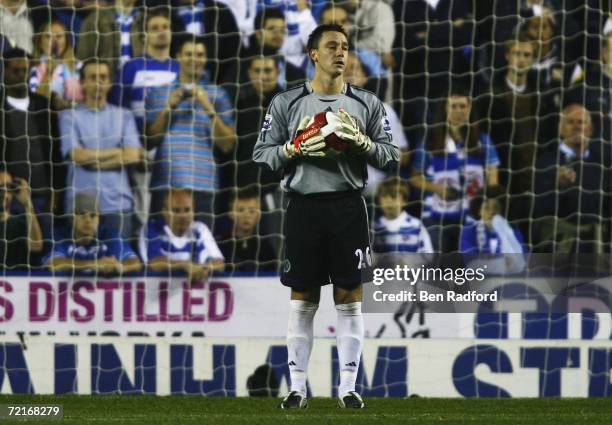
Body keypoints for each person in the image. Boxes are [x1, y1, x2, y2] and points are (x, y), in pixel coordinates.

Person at [253, 23, 399, 409]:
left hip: (349, 207)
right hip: (304, 207)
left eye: (346, 47)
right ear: (313, 53)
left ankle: (348, 388)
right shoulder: (286, 103)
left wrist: (362, 142)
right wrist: (293, 148)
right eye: (332, 46)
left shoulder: (367, 103)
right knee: (303, 297)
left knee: (349, 297)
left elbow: (391, 155)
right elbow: (262, 156)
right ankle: (297, 388)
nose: (341, 53)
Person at [145, 35, 236, 230]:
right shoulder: (158, 93)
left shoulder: (218, 94)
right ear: (178, 56)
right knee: (161, 249)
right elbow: (149, 141)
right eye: (189, 54)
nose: (195, 58)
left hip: (204, 185)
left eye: (200, 54)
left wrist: (208, 108)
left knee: (201, 250)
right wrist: (168, 109)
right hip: (165, 182)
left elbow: (227, 144)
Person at [59, 59, 144, 239]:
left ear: (110, 82)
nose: (99, 82)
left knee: (120, 263)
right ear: (82, 82)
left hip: (118, 206)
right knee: (81, 265)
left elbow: (133, 155)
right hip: (80, 208)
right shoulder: (68, 116)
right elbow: (77, 155)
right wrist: (116, 151)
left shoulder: (125, 115)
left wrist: (94, 162)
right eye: (93, 77)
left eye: (103, 77)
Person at [409, 88, 500, 253]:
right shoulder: (430, 141)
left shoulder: (483, 141)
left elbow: (493, 180)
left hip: (472, 215)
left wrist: (487, 205)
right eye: (453, 106)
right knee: (439, 266)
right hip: (436, 215)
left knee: (468, 265)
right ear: (444, 109)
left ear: (470, 109)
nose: (458, 111)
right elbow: (415, 178)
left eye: (463, 106)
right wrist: (438, 189)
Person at [0, 47, 64, 240]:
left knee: (44, 252)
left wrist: (57, 193)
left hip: (45, 196)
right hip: (12, 198)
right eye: (16, 71)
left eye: (25, 70)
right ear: (4, 72)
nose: (22, 75)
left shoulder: (44, 105)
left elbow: (56, 154)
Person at [533, 103, 611, 254]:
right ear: (561, 129)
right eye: (570, 122)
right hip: (560, 247)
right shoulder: (546, 162)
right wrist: (557, 185)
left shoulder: (602, 162)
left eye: (581, 122)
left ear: (590, 129)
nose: (576, 127)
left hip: (598, 245)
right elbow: (539, 208)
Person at [139, 188, 225, 284]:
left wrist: (203, 268)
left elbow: (219, 264)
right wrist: (184, 265)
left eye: (187, 210)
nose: (183, 216)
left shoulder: (199, 228)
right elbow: (154, 264)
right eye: (176, 210)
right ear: (164, 211)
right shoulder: (151, 228)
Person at [45, 192, 142, 274]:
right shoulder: (59, 235)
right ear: (72, 218)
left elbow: (135, 263)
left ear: (99, 219)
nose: (87, 220)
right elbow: (54, 264)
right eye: (81, 214)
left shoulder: (110, 235)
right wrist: (93, 264)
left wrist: (120, 267)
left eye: (93, 215)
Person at [460, 188, 526, 275]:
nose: (491, 212)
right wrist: (501, 263)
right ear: (479, 211)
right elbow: (469, 262)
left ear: (501, 211)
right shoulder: (470, 229)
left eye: (495, 208)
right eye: (487, 208)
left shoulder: (511, 228)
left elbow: (522, 257)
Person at [216, 186, 278, 274]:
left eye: (252, 211)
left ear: (259, 215)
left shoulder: (265, 247)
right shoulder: (221, 243)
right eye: (241, 210)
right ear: (230, 214)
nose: (246, 215)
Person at [77, 0, 146, 72]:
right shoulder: (95, 20)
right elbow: (84, 56)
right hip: (106, 79)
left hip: (140, 77)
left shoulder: (146, 19)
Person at [30, 20, 82, 110]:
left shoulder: (79, 66)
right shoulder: (32, 69)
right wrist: (49, 72)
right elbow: (35, 102)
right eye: (48, 36)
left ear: (66, 41)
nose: (54, 40)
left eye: (59, 36)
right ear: (40, 42)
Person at [372, 177, 433, 255]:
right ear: (378, 199)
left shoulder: (416, 225)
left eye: (393, 196)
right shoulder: (374, 227)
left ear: (404, 200)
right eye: (384, 196)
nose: (388, 201)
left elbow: (428, 255)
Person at [0, 171, 43, 270]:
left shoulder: (23, 221)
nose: (5, 194)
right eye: (1, 189)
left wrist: (28, 204)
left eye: (9, 188)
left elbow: (36, 246)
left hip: (17, 282)